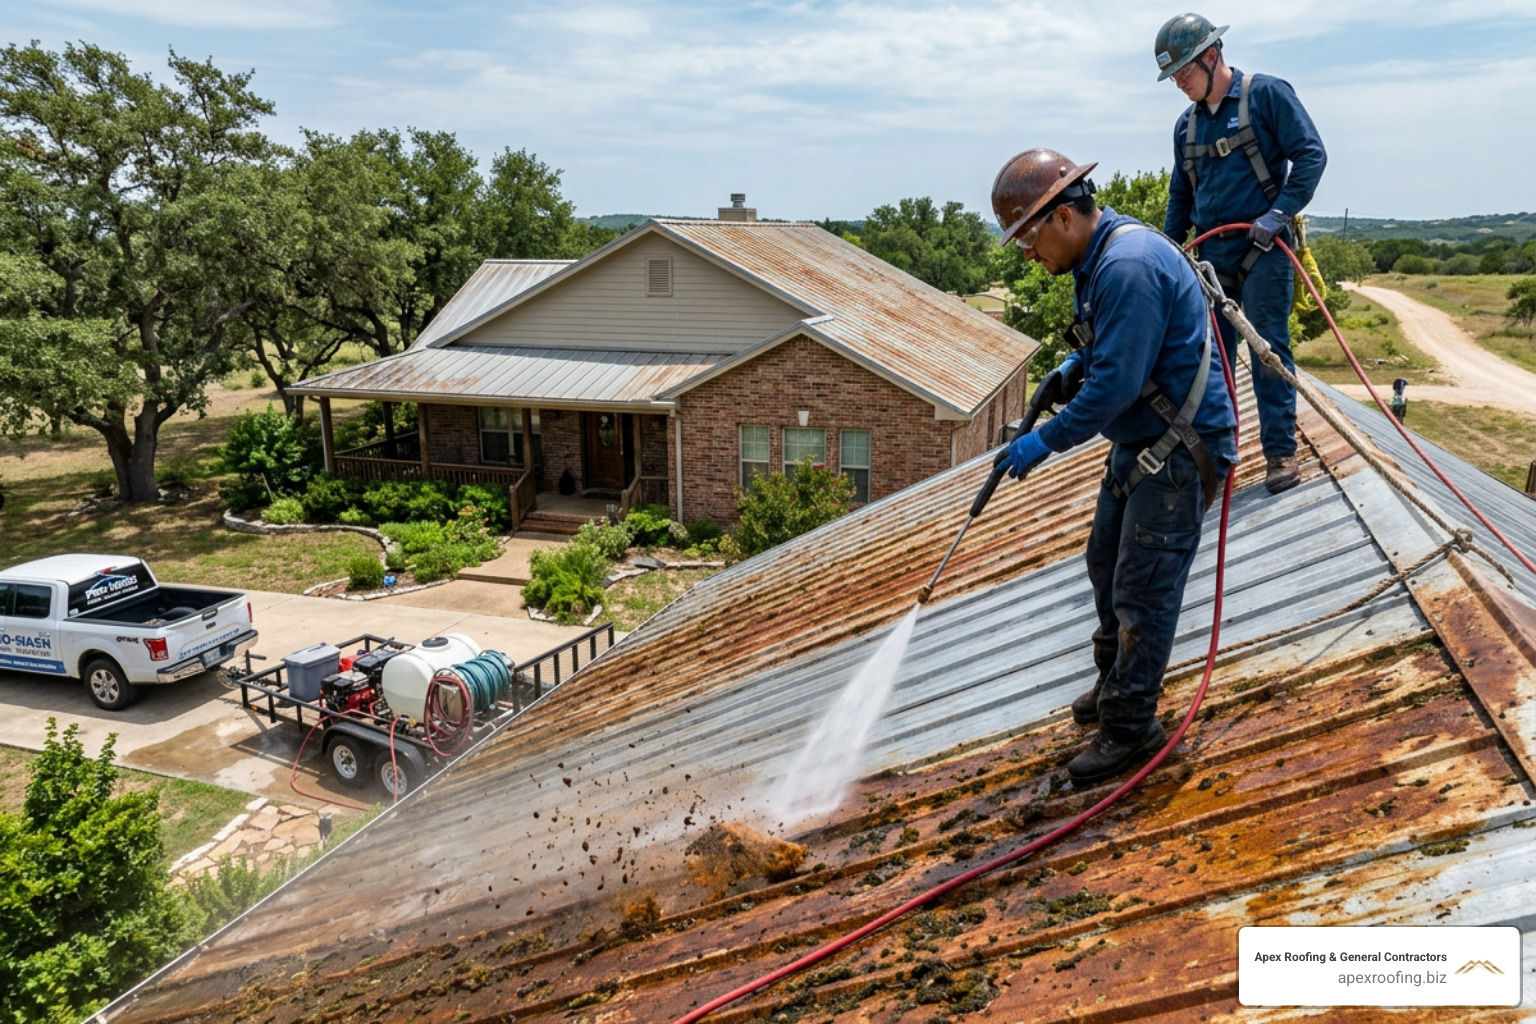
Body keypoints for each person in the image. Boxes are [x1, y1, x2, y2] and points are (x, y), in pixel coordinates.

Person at [991, 148, 1237, 786]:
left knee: (1141, 589)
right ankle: (1114, 687)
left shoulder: (1125, 265)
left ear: (1063, 216)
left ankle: (1131, 730)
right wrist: (1072, 369)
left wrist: (1043, 440)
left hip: (1179, 450)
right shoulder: (1097, 258)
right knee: (1104, 562)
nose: (1028, 256)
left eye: (1028, 240)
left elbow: (1116, 389)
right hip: (1146, 442)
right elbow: (1117, 351)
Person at [1157, 13, 1326, 494]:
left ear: (1212, 56)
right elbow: (1180, 196)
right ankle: (1219, 459)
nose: (1179, 85)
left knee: (1267, 346)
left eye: (1184, 73)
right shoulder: (1185, 126)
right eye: (1173, 78)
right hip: (1211, 261)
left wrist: (1279, 215)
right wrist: (1172, 252)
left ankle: (1280, 454)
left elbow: (1311, 154)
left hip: (1263, 249)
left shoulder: (1266, 96)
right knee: (1210, 363)